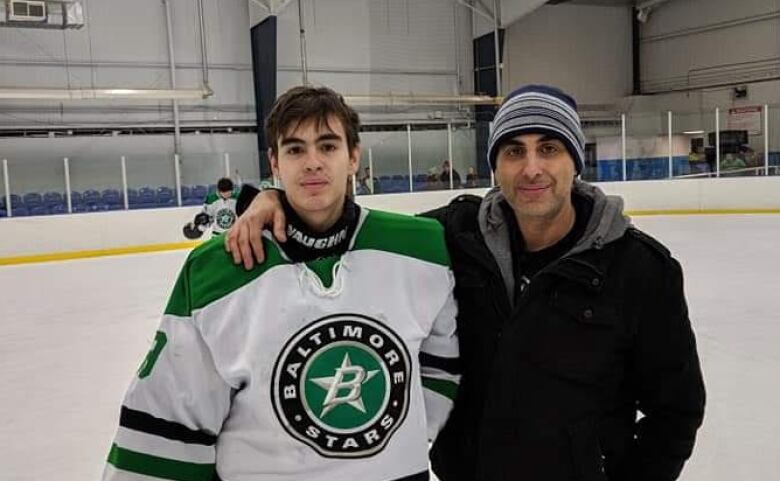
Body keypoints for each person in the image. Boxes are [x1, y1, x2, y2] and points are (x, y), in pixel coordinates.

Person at [225, 84, 706, 481]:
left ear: (575, 161)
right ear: (495, 164)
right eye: (514, 150)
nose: (532, 167)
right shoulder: (454, 236)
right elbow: (352, 231)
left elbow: (676, 412)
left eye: (549, 148)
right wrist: (274, 201)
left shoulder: (641, 270)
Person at [103, 86, 459, 481]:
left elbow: (442, 365)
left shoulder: (423, 248)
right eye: (294, 150)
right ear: (274, 162)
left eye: (327, 146)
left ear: (353, 156)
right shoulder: (216, 272)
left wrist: (394, 442)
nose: (312, 163)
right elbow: (169, 421)